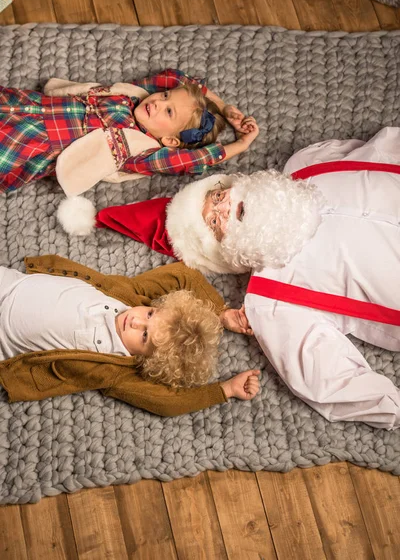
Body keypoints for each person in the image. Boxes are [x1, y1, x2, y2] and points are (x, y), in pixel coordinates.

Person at [94, 126, 400, 430]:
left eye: (215, 196)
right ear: (225, 250)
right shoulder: (271, 301)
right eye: (213, 221)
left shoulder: (307, 164)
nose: (224, 207)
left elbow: (385, 147)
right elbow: (328, 378)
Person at [0, 255, 260, 416]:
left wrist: (225, 389)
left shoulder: (116, 371)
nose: (134, 321)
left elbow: (168, 403)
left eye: (144, 336)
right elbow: (185, 276)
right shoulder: (132, 295)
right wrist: (221, 314)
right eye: (149, 315)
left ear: (149, 360)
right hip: (12, 284)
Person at [0, 68, 258, 200]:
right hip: (32, 106)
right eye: (165, 97)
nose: (158, 102)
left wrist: (241, 144)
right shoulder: (135, 97)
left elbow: (192, 160)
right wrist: (224, 107)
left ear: (170, 140)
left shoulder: (142, 151)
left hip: (33, 142)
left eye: (168, 112)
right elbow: (176, 79)